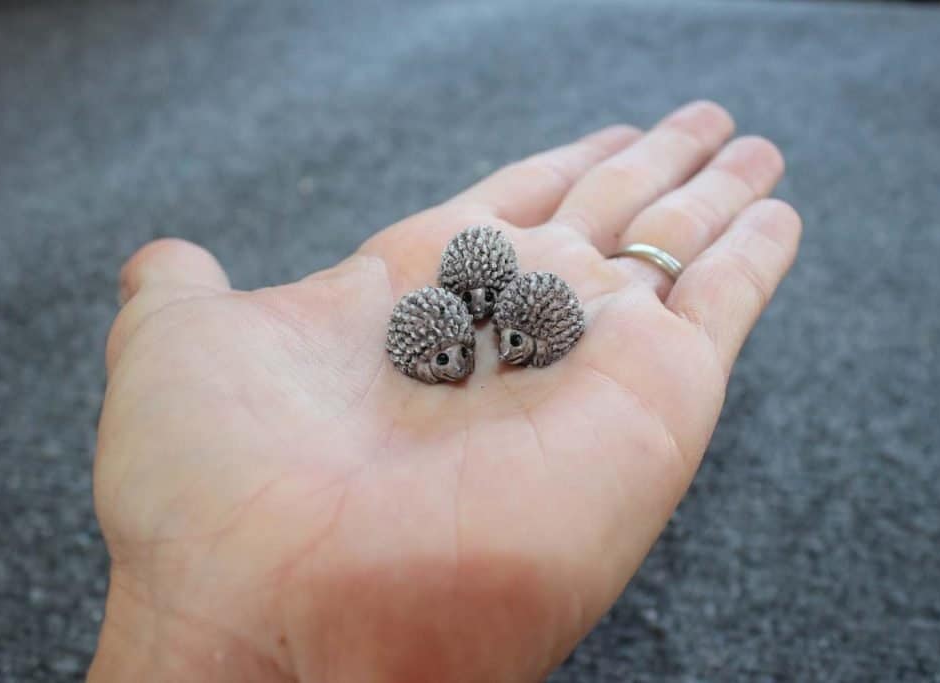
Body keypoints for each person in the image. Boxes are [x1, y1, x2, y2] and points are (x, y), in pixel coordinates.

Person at [87, 100, 801, 682]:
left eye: (485, 347)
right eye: (459, 353)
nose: (474, 363)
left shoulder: (512, 316)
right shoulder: (444, 323)